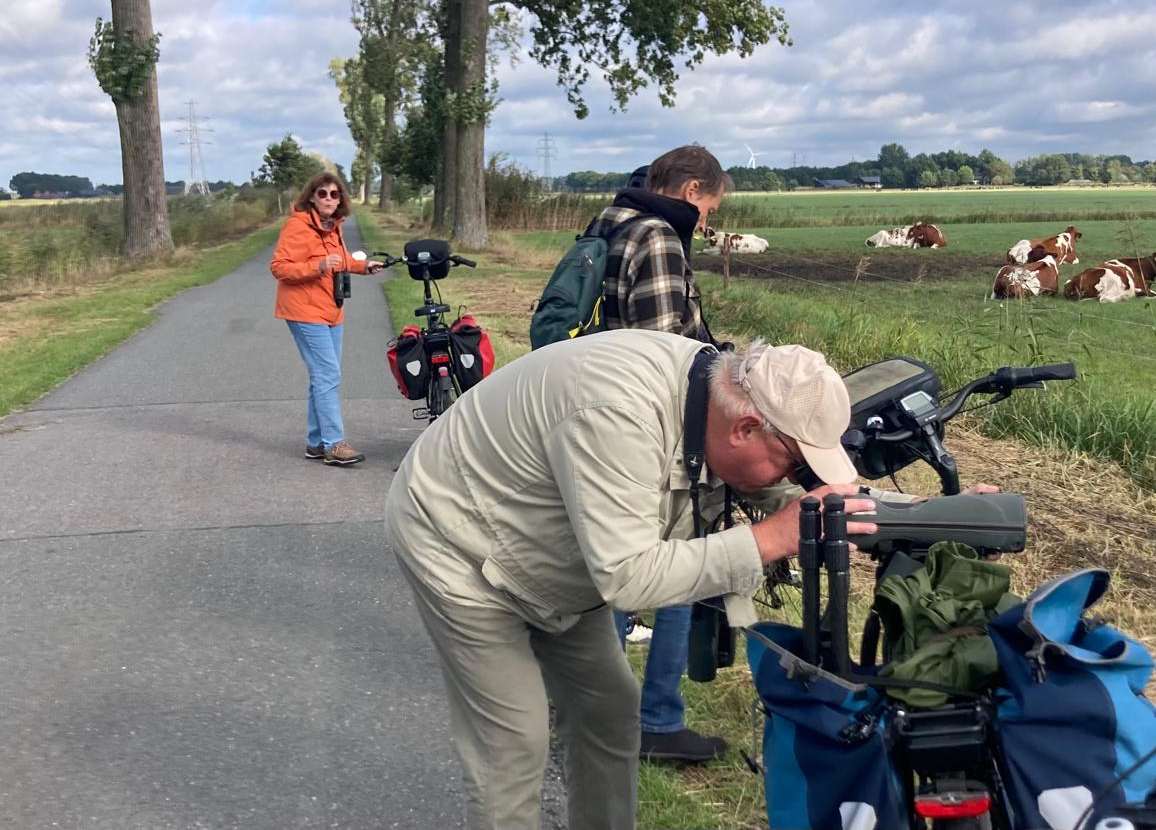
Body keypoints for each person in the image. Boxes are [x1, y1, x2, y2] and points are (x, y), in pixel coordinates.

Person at [384, 333, 875, 830]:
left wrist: (882, 514)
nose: (793, 480)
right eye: (795, 465)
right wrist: (767, 539)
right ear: (746, 428)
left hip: (556, 547)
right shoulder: (617, 413)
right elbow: (628, 577)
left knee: (610, 713)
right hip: (457, 538)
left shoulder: (711, 400)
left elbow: (786, 496)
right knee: (514, 739)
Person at [587, 145, 732, 763]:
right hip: (651, 425)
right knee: (683, 559)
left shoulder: (609, 222)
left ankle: (599, 710)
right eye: (709, 208)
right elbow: (664, 351)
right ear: (692, 188)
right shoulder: (659, 236)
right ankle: (656, 721)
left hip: (595, 410)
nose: (706, 222)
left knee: (610, 566)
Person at [269, 171, 381, 466]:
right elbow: (279, 267)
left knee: (322, 377)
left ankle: (316, 442)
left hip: (332, 309)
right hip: (304, 310)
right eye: (323, 193)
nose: (329, 199)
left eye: (334, 194)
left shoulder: (333, 227)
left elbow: (341, 260)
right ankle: (334, 444)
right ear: (311, 197)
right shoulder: (298, 226)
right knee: (328, 375)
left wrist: (363, 266)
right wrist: (316, 266)